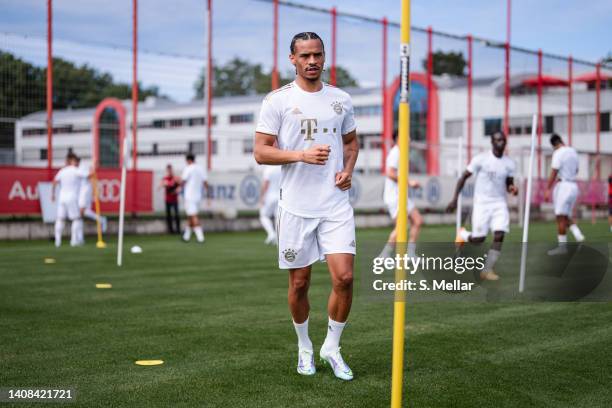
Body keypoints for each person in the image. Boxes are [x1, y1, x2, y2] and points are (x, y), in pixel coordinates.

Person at [253, 32, 359, 380]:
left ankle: (332, 347)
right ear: (292, 59)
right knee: (299, 283)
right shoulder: (277, 101)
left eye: (317, 55)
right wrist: (301, 154)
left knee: (344, 278)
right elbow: (261, 151)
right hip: (296, 207)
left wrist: (347, 171)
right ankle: (304, 347)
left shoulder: (341, 99)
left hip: (335, 205)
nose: (312, 61)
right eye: (305, 56)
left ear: (325, 56)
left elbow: (352, 143)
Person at [447, 131, 518, 281]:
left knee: (499, 234)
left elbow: (508, 183)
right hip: (482, 203)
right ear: (492, 142)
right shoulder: (481, 159)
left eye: (503, 140)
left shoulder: (510, 163)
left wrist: (512, 188)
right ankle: (463, 235)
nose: (501, 142)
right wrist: (454, 199)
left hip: (499, 203)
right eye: (498, 140)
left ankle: (487, 269)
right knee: (478, 239)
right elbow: (463, 177)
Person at [379, 132, 423, 259]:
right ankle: (384, 256)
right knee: (401, 227)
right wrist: (409, 182)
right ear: (399, 138)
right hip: (394, 196)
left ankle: (410, 254)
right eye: (407, 135)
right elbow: (390, 173)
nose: (410, 138)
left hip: (401, 195)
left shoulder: (401, 152)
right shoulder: (395, 152)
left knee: (417, 221)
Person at [544, 134, 585, 254]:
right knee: (565, 215)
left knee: (560, 217)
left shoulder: (558, 153)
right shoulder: (573, 151)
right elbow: (576, 170)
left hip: (564, 186)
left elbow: (554, 171)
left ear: (553, 145)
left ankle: (562, 248)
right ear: (561, 140)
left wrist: (547, 189)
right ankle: (578, 235)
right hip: (573, 186)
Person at [52, 153, 86, 247]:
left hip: (62, 197)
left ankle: (57, 241)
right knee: (76, 219)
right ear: (72, 161)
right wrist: (94, 166)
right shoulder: (75, 170)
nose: (77, 163)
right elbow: (88, 175)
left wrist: (53, 194)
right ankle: (73, 241)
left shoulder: (62, 171)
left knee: (60, 219)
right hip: (72, 197)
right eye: (76, 161)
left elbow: (54, 182)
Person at [76, 157, 107, 244]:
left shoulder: (80, 168)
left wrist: (94, 167)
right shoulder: (80, 168)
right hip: (82, 193)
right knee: (84, 212)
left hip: (84, 193)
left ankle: (79, 238)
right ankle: (101, 219)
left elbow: (90, 174)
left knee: (80, 214)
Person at [180, 154, 208, 243]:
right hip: (197, 196)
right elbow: (205, 182)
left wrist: (177, 187)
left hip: (189, 196)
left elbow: (183, 181)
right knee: (190, 216)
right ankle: (186, 237)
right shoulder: (200, 168)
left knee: (193, 216)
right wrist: (208, 195)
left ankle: (200, 238)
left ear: (188, 160)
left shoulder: (188, 168)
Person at [259, 164, 281, 245]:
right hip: (280, 196)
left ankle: (271, 234)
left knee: (263, 216)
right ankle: (278, 237)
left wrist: (261, 197)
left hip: (269, 196)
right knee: (277, 217)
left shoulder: (269, 169)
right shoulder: (281, 167)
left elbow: (265, 184)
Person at [160, 164, 181, 234]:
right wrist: (167, 184)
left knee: (177, 215)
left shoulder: (176, 178)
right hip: (168, 199)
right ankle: (170, 230)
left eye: (171, 170)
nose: (170, 171)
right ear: (167, 171)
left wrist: (176, 189)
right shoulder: (165, 178)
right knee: (168, 215)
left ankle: (178, 229)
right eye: (168, 170)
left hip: (174, 199)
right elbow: (161, 185)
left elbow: (180, 186)